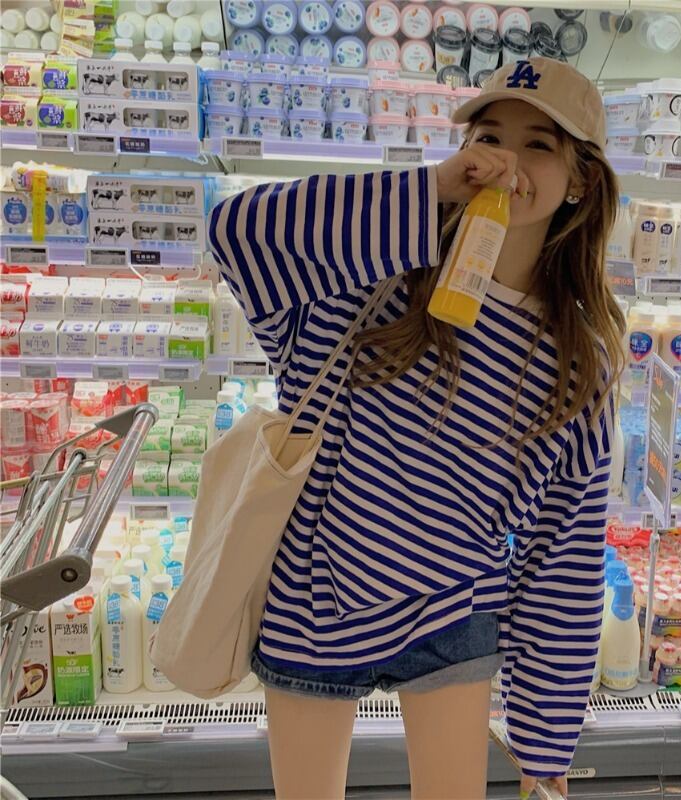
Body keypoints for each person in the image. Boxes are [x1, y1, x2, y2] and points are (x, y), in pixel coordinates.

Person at [209, 57, 625, 800]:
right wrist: (431, 189)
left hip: (456, 608)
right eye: (489, 137)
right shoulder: (364, 282)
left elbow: (562, 555)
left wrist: (544, 743)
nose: (506, 161)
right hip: (315, 597)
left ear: (581, 181)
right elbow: (237, 232)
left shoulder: (576, 363)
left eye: (538, 145)